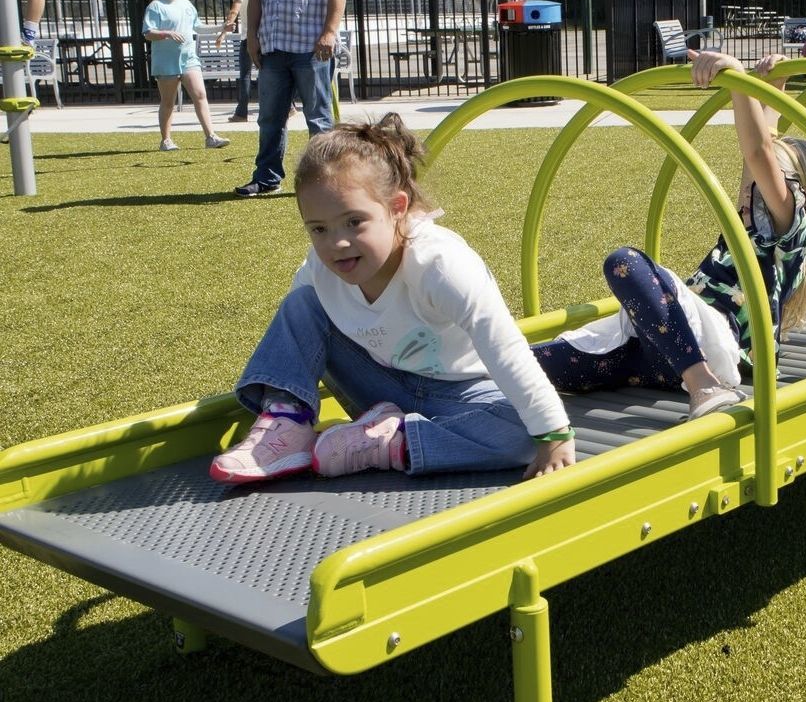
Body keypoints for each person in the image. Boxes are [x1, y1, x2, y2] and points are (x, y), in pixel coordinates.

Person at [211, 114, 576, 484]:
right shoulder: (319, 267)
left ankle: (388, 442)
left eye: (354, 222)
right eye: (319, 229)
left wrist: (554, 433)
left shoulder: (440, 264)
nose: (337, 242)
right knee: (301, 304)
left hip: (457, 391)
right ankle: (288, 425)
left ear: (397, 207)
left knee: (518, 434)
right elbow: (297, 342)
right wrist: (287, 394)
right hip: (374, 382)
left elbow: (505, 347)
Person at [530, 50, 806, 419]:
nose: (747, 188)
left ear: (800, 194)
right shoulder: (745, 225)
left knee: (625, 263)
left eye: (760, 186)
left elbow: (759, 153)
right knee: (524, 364)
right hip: (658, 351)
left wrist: (738, 79)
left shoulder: (791, 233)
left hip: (714, 342)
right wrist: (774, 88)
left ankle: (704, 386)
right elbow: (760, 149)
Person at [235, 0, 348, 198]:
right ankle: (267, 177)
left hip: (313, 47)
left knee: (319, 118)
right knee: (269, 118)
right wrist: (252, 36)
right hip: (274, 47)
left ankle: (328, 182)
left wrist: (329, 32)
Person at [141, 0, 229, 153]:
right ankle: (166, 140)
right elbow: (148, 33)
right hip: (166, 62)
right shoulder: (156, 6)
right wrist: (167, 34)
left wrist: (221, 27)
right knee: (168, 102)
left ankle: (211, 136)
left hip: (189, 58)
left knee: (200, 95)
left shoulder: (187, 4)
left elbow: (198, 27)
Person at [222, 0, 255, 122]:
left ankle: (242, 112)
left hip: (248, 36)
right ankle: (288, 107)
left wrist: (226, 26)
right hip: (265, 36)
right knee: (270, 73)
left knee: (245, 75)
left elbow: (235, 9)